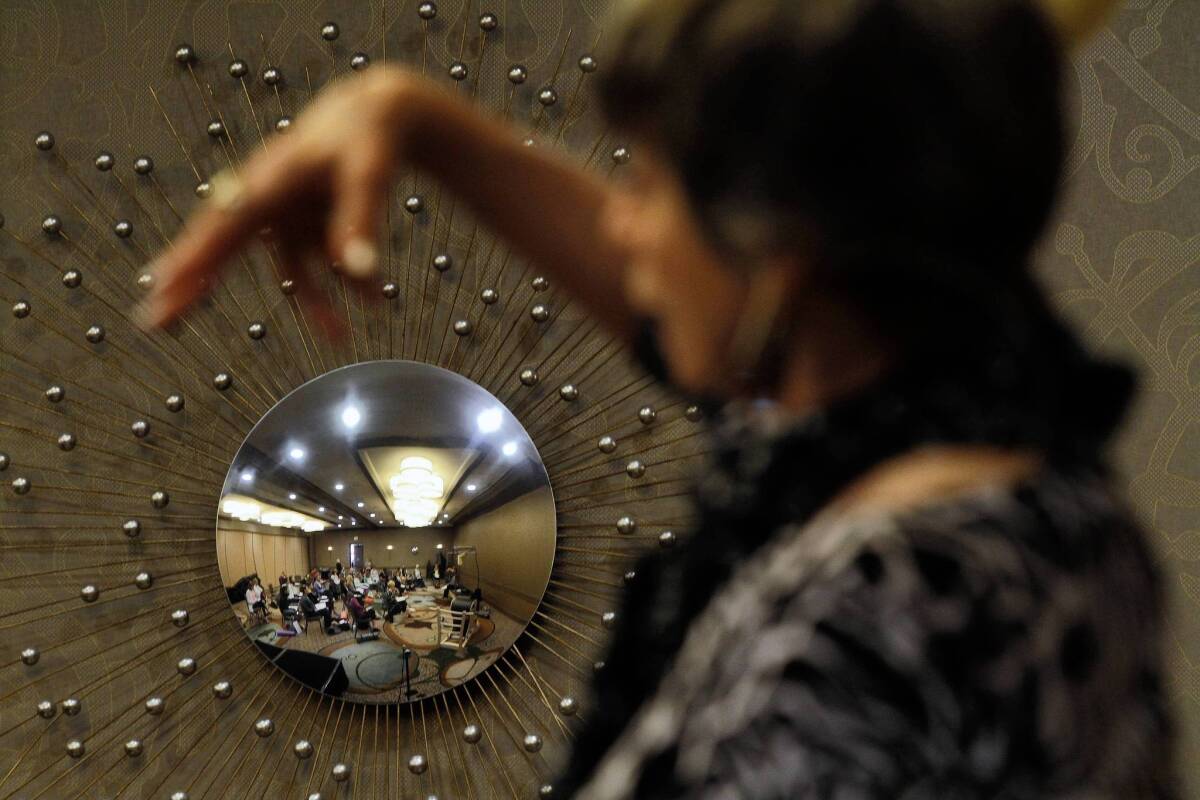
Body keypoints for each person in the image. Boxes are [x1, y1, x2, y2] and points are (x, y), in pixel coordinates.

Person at [141, 0, 1178, 795]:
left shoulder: (881, 610)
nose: (623, 230)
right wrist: (413, 119)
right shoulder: (1028, 505)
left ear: (774, 250)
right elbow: (687, 316)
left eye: (645, 181)